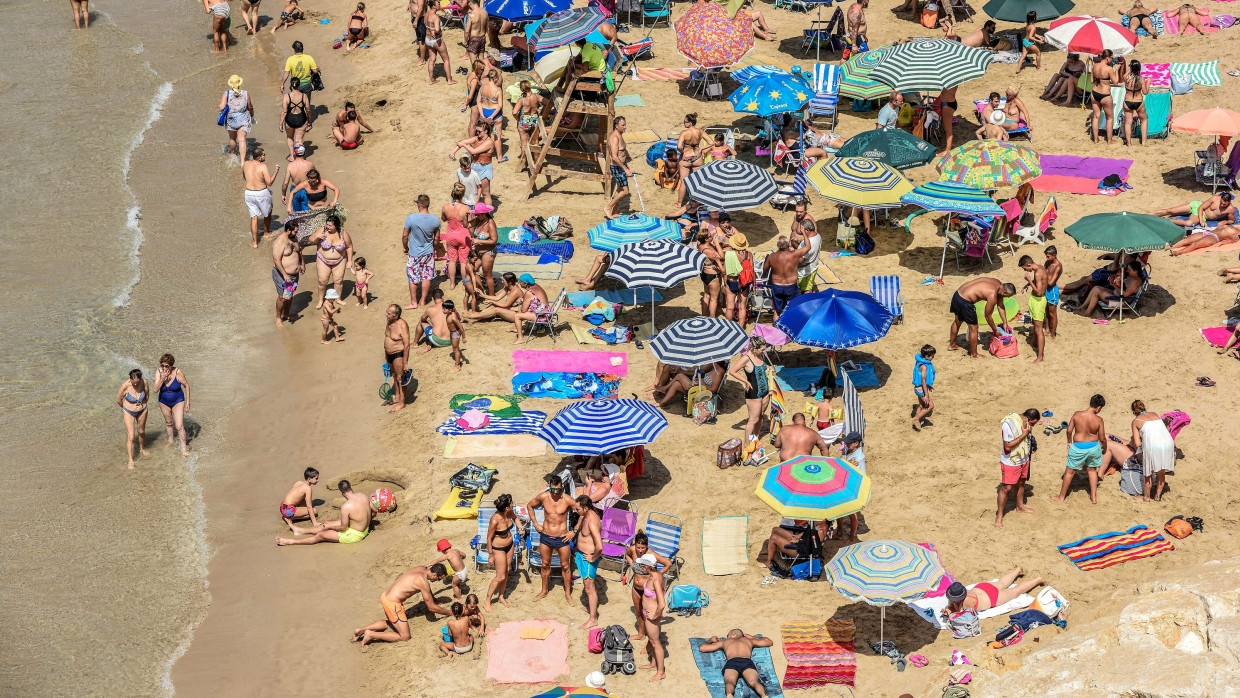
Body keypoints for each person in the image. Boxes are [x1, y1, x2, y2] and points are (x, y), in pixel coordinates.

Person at [353, 563, 449, 645]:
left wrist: (434, 599)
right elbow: (431, 607)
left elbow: (427, 590)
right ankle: (370, 634)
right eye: (439, 579)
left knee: (392, 623)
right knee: (405, 636)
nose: (438, 581)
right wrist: (450, 613)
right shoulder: (423, 582)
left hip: (386, 595)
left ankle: (361, 630)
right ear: (435, 575)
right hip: (392, 603)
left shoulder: (421, 568)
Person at [527, 475, 577, 601]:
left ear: (562, 488)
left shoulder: (567, 500)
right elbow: (529, 505)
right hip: (546, 536)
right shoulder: (544, 497)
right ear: (549, 488)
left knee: (565, 566)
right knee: (545, 565)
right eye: (553, 490)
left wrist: (574, 531)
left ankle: (568, 594)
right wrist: (535, 523)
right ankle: (544, 591)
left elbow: (583, 512)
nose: (555, 493)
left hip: (562, 538)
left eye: (558, 490)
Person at [277, 479, 372, 545]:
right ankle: (300, 531)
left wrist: (331, 527)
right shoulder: (363, 495)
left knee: (321, 535)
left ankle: (291, 542)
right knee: (326, 524)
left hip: (355, 535)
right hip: (362, 528)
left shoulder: (346, 506)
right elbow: (372, 511)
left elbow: (343, 528)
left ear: (341, 492)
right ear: (350, 487)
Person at [465, 273, 550, 344]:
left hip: (541, 315)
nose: (519, 283)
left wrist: (494, 302)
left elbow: (520, 309)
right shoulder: (534, 286)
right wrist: (484, 296)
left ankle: (473, 317)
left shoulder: (523, 292)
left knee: (497, 309)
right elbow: (497, 298)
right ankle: (476, 317)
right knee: (494, 306)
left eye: (520, 282)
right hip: (540, 311)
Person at [948, 278, 1016, 358]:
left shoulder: (998, 284)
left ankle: (952, 345)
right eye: (1008, 296)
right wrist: (995, 330)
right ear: (1004, 292)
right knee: (974, 328)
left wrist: (1005, 323)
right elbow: (987, 316)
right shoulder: (992, 295)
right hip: (965, 301)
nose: (1007, 298)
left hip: (958, 294)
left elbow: (1000, 306)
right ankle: (974, 354)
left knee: (957, 321)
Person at [1058, 394, 1107, 504]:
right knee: (1092, 470)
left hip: (1078, 447)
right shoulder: (1099, 420)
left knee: (1069, 472)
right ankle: (1093, 497)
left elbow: (1069, 431)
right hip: (1093, 447)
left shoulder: (1077, 414)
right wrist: (1104, 447)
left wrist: (1069, 441)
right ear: (1098, 407)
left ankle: (1061, 497)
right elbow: (1102, 437)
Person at [699, 630, 775, 698]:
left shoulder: (725, 642)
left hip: (732, 662)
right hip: (747, 662)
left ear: (733, 634)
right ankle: (764, 695)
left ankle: (729, 695)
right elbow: (768, 642)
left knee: (730, 682)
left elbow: (702, 648)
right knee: (754, 682)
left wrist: (710, 640)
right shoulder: (748, 640)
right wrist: (752, 637)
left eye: (728, 635)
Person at [996, 408, 1040, 527]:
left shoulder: (1025, 423)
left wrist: (1032, 444)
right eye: (1032, 424)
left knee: (1021, 483)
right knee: (1006, 488)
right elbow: (1008, 447)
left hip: (1024, 458)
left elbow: (1028, 438)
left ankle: (1020, 506)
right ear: (1028, 418)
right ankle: (999, 515)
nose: (1031, 427)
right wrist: (1024, 435)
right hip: (1011, 461)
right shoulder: (1008, 424)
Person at [942, 570, 1045, 617]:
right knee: (1001, 583)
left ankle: (1038, 579)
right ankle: (1017, 570)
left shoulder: (967, 602)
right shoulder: (958, 593)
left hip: (993, 598)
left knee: (1015, 592)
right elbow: (952, 606)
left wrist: (950, 612)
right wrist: (948, 609)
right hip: (983, 588)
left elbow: (962, 616)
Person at [630, 553, 667, 681]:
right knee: (652, 641)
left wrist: (654, 615)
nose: (640, 566)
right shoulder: (654, 575)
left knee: (656, 643)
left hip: (652, 616)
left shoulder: (656, 580)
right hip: (649, 613)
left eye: (642, 565)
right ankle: (653, 664)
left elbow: (662, 604)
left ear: (647, 566)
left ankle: (661, 672)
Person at [729, 336, 771, 446]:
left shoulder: (760, 355)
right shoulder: (746, 358)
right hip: (753, 393)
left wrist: (769, 369)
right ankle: (747, 446)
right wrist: (746, 381)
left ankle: (755, 439)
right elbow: (732, 371)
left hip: (765, 392)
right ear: (755, 348)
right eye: (762, 349)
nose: (764, 351)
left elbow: (763, 370)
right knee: (753, 419)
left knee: (761, 416)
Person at [483, 494, 522, 610]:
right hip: (498, 549)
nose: (513, 503)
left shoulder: (508, 513)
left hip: (509, 546)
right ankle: (487, 601)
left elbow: (515, 519)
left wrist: (520, 527)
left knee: (507, 570)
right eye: (511, 503)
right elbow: (489, 538)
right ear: (506, 507)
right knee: (500, 576)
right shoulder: (495, 520)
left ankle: (501, 596)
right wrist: (490, 555)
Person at [1130, 400, 1175, 501]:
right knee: (1161, 471)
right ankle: (1158, 496)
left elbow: (1137, 444)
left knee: (1148, 473)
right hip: (1168, 442)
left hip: (1153, 445)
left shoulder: (1136, 421)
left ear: (1134, 412)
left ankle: (1146, 497)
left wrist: (1144, 442)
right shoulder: (1155, 414)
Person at [306, 215, 353, 309]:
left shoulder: (343, 233)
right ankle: (320, 300)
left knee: (338, 281)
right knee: (322, 280)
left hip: (340, 260)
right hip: (323, 260)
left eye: (330, 225)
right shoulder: (322, 230)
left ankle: (338, 299)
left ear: (337, 225)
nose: (328, 227)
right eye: (327, 224)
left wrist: (350, 260)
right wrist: (317, 236)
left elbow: (349, 247)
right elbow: (310, 240)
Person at [402, 194, 439, 309]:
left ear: (419, 204)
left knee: (413, 277)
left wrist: (405, 247)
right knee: (426, 276)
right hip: (428, 252)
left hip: (414, 253)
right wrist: (435, 249)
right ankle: (423, 300)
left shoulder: (411, 218)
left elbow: (405, 236)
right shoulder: (435, 219)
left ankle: (414, 302)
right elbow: (437, 238)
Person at [416, 291, 467, 370]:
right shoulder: (451, 309)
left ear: (433, 298)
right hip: (450, 340)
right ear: (443, 297)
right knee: (456, 348)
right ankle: (430, 344)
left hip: (438, 340)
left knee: (422, 322)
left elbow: (423, 319)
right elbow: (459, 319)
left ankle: (415, 342)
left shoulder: (430, 309)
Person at [574, 494, 603, 629]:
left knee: (589, 588)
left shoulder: (592, 521)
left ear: (585, 508)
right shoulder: (586, 515)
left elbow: (600, 546)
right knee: (590, 586)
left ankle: (593, 619)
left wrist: (593, 557)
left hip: (588, 557)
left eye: (578, 509)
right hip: (582, 555)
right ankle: (592, 609)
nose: (576, 511)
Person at [449, 124, 496, 207]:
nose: (477, 133)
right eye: (476, 131)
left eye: (479, 131)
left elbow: (474, 151)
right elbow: (461, 142)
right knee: (468, 189)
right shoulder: (477, 138)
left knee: (485, 193)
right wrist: (453, 152)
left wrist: (464, 145)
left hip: (484, 168)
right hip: (474, 166)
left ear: (486, 131)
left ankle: (488, 214)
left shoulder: (489, 142)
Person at [153, 354, 191, 456]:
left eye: (167, 366)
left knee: (179, 426)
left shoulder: (178, 372)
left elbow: (187, 386)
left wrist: (188, 402)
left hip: (178, 400)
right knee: (169, 423)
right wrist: (162, 378)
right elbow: (155, 389)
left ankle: (184, 449)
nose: (164, 368)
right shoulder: (159, 372)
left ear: (171, 365)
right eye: (162, 365)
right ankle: (171, 441)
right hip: (163, 401)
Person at [1074, 260, 1144, 315]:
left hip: (1122, 302)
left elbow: (1125, 295)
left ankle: (1087, 312)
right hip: (1118, 295)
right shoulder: (1133, 277)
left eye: (1129, 270)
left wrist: (1113, 285)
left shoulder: (1135, 282)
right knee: (1096, 288)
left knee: (1097, 292)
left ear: (1135, 271)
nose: (1128, 271)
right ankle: (1083, 307)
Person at [242, 147, 278, 248]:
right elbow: (269, 182)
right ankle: (266, 233)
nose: (264, 156)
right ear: (259, 157)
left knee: (254, 218)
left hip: (248, 193)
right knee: (268, 213)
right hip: (261, 193)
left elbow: (244, 176)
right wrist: (276, 171)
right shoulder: (263, 166)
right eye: (263, 155)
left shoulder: (245, 164)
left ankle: (255, 243)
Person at [765, 237, 809, 318]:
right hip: (791, 285)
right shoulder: (794, 254)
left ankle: (776, 329)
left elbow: (765, 268)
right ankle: (790, 327)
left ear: (777, 245)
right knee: (793, 307)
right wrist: (803, 233)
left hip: (777, 285)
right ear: (788, 244)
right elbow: (807, 247)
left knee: (777, 310)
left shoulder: (772, 256)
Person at [653, 361, 725, 408]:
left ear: (716, 363)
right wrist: (699, 381)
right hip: (698, 386)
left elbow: (713, 389)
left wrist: (699, 386)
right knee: (676, 384)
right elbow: (706, 380)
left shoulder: (718, 373)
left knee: (680, 375)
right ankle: (662, 403)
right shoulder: (715, 369)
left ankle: (665, 388)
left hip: (701, 391)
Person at [116, 369, 150, 469]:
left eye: (136, 382)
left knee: (141, 431)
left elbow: (147, 395)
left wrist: (142, 405)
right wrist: (127, 408)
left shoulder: (144, 382)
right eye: (132, 381)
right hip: (128, 411)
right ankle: (130, 460)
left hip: (142, 410)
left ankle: (141, 448)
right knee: (131, 436)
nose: (134, 384)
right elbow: (118, 400)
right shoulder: (125, 385)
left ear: (140, 379)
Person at [441, 183, 472, 289]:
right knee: (464, 261)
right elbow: (468, 223)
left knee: (452, 260)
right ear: (462, 195)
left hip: (451, 236)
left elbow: (444, 219)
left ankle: (452, 283)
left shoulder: (445, 207)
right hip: (463, 236)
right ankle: (464, 283)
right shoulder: (466, 208)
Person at [272, 222, 304, 326]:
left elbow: (299, 251)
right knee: (283, 297)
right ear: (288, 230)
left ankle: (286, 314)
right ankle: (278, 317)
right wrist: (285, 274)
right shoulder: (280, 242)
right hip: (283, 274)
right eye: (295, 231)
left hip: (293, 276)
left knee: (289, 295)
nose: (297, 233)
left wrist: (302, 264)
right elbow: (276, 260)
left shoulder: (294, 238)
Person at [1019, 255, 1048, 364]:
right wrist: (1028, 284)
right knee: (1034, 323)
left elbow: (1039, 292)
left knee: (1038, 330)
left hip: (1038, 301)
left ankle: (1040, 357)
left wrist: (1029, 281)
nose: (1025, 270)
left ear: (1029, 265)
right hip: (1035, 300)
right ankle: (1035, 343)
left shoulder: (1037, 272)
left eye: (1025, 268)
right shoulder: (1039, 267)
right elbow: (1039, 282)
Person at [722, 231, 754, 325]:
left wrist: (725, 283)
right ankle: (740, 327)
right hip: (744, 282)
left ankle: (729, 327)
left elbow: (725, 270)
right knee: (742, 306)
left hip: (732, 281)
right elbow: (752, 269)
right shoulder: (749, 254)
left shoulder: (728, 254)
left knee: (730, 307)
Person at [1154, 192, 1236, 228]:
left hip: (1203, 215)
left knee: (1188, 223)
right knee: (1170, 211)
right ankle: (1148, 215)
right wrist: (1201, 220)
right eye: (1221, 203)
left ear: (1229, 202)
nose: (1222, 205)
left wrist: (1225, 222)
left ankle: (1164, 220)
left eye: (1224, 204)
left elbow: (1231, 221)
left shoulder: (1230, 210)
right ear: (1220, 198)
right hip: (1197, 206)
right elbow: (1201, 207)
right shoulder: (1215, 198)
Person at [384, 305, 411, 412]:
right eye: (387, 312)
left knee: (400, 378)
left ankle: (402, 403)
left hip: (398, 354)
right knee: (394, 375)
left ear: (396, 315)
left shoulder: (402, 325)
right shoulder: (389, 322)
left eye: (389, 313)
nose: (386, 314)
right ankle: (397, 397)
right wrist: (386, 357)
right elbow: (387, 337)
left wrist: (405, 363)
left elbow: (407, 345)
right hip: (389, 353)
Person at [219, 75, 253, 160]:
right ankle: (242, 161)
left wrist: (219, 106)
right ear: (239, 83)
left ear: (230, 84)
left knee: (232, 138)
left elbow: (222, 107)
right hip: (243, 118)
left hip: (231, 119)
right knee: (242, 139)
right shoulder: (245, 93)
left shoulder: (226, 94)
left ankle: (233, 153)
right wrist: (252, 114)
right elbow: (250, 106)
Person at [789, 202, 821, 293]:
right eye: (797, 211)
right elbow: (793, 231)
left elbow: (812, 237)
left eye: (801, 212)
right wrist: (790, 244)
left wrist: (799, 243)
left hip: (804, 250)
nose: (798, 214)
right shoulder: (796, 217)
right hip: (795, 247)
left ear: (806, 211)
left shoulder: (809, 221)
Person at [604, 116, 632, 220]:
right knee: (625, 191)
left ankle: (614, 211)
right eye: (623, 125)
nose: (625, 127)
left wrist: (626, 165)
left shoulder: (619, 134)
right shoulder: (614, 137)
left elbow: (622, 153)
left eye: (625, 124)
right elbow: (614, 157)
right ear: (616, 126)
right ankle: (608, 208)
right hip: (617, 168)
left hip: (621, 167)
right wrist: (625, 168)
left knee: (619, 189)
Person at [1090, 50, 1119, 144]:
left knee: (1095, 116)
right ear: (1107, 58)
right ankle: (1109, 140)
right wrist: (1117, 71)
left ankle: (1095, 139)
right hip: (1105, 94)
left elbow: (1091, 80)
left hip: (1094, 92)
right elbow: (1116, 82)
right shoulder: (1109, 68)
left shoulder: (1095, 65)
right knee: (1109, 117)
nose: (1112, 59)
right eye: (1112, 58)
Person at [513, 80, 544, 168]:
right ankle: (537, 162)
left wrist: (518, 119)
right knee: (536, 141)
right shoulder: (536, 96)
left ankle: (524, 163)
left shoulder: (522, 99)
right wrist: (541, 111)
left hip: (525, 120)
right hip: (534, 119)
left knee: (524, 142)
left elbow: (514, 112)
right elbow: (547, 102)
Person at [279, 468, 319, 533]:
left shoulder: (299, 482)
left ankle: (289, 516)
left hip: (282, 506)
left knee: (309, 503)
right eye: (316, 478)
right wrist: (315, 522)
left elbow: (295, 495)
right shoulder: (308, 488)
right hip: (288, 510)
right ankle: (290, 518)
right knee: (314, 511)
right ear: (309, 479)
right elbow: (309, 507)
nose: (317, 480)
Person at [281, 41, 318, 107]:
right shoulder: (309, 58)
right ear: (303, 49)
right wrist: (318, 69)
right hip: (307, 85)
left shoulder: (290, 59)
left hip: (295, 85)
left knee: (295, 104)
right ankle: (307, 116)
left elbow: (287, 73)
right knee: (306, 104)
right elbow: (315, 71)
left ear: (294, 50)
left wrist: (282, 84)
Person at [424, 8, 455, 84]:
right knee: (446, 60)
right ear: (434, 5)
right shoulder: (435, 17)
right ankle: (449, 80)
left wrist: (431, 30)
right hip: (436, 41)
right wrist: (436, 31)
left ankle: (431, 80)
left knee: (432, 60)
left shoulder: (426, 13)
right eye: (438, 3)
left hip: (428, 39)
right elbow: (437, 29)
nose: (440, 5)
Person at [278, 88, 310, 162]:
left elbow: (284, 111)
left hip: (290, 120)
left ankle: (292, 156)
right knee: (299, 139)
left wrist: (280, 124)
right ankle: (301, 158)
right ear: (298, 86)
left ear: (291, 86)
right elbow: (308, 110)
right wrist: (309, 121)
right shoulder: (303, 96)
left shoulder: (287, 96)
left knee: (290, 137)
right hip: (301, 119)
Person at [1122, 59, 1149, 145]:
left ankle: (1129, 143)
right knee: (1144, 120)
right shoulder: (1141, 79)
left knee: (1128, 122)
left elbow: (1125, 74)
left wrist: (1131, 68)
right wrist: (1148, 83)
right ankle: (1144, 141)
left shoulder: (1126, 78)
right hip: (1138, 102)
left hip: (1128, 101)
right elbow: (1145, 92)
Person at [912, 345, 936, 431]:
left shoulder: (920, 362)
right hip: (920, 389)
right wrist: (926, 395)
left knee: (922, 405)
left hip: (917, 388)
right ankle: (916, 419)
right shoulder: (924, 367)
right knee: (930, 405)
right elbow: (923, 381)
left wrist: (929, 385)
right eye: (932, 355)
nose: (933, 357)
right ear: (927, 356)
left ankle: (916, 420)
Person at [677, 113, 706, 181]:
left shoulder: (684, 132)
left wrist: (682, 152)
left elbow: (679, 147)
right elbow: (711, 143)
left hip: (686, 157)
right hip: (697, 157)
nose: (684, 123)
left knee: (684, 182)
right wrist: (702, 149)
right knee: (698, 181)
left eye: (685, 122)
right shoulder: (700, 131)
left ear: (690, 123)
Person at [1044, 246, 1062, 339]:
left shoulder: (1058, 266)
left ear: (1054, 255)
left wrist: (1042, 279)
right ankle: (1047, 328)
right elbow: (1043, 273)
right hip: (1045, 289)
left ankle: (1053, 332)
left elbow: (1051, 283)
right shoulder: (1048, 262)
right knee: (1046, 310)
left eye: (1048, 256)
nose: (1047, 258)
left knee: (1052, 313)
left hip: (1052, 291)